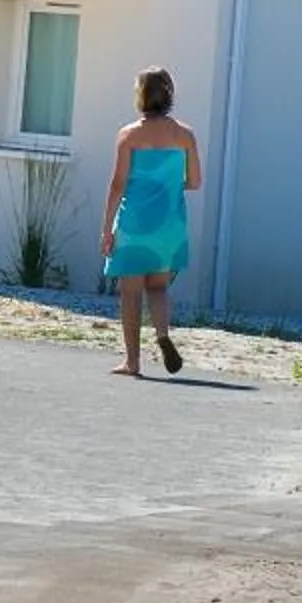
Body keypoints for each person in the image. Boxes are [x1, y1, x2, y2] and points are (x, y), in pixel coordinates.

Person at [100, 65, 201, 379]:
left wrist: (106, 228)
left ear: (141, 96)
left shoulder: (129, 135)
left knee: (130, 292)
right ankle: (162, 334)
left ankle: (133, 361)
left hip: (135, 223)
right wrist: (167, 187)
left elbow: (118, 184)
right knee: (157, 288)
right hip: (169, 225)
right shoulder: (185, 135)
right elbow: (195, 182)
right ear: (169, 94)